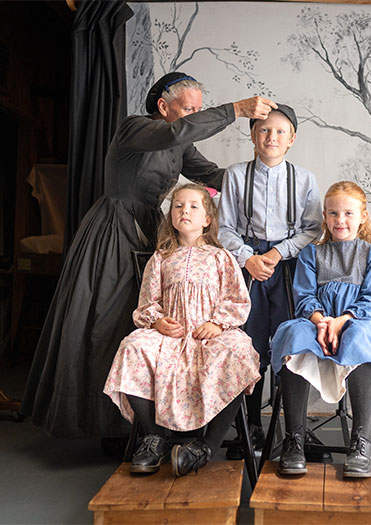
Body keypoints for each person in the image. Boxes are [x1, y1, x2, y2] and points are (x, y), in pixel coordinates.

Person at [21, 71, 276, 439]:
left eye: (198, 110)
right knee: (107, 321)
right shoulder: (136, 128)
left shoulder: (180, 146)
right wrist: (235, 110)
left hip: (150, 229)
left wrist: (264, 171)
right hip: (114, 228)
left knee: (146, 323)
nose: (194, 116)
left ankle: (147, 427)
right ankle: (103, 426)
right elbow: (175, 132)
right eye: (190, 109)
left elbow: (213, 176)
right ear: (163, 106)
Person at [103, 182, 260, 475]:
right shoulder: (161, 258)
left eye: (193, 206)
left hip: (209, 334)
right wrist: (158, 320)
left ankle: (205, 447)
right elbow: (147, 303)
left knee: (239, 352)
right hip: (170, 336)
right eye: (178, 206)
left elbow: (238, 300)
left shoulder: (220, 257)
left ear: (207, 219)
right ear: (171, 216)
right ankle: (154, 437)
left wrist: (217, 323)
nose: (184, 211)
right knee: (133, 346)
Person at [218, 104, 322, 453]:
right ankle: (250, 426)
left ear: (291, 139)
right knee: (250, 340)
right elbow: (224, 228)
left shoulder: (305, 179)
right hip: (247, 268)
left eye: (279, 132)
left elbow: (312, 229)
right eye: (263, 130)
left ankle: (292, 427)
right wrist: (248, 258)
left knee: (289, 340)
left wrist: (277, 254)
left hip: (288, 267)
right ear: (252, 136)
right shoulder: (234, 175)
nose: (271, 137)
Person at [270, 181, 371, 478]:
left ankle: (360, 441)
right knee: (292, 334)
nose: (341, 220)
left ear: (363, 216)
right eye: (334, 214)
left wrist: (341, 321)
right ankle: (295, 439)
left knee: (359, 335)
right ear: (325, 217)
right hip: (317, 321)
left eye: (348, 213)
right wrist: (321, 321)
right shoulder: (312, 254)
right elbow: (304, 296)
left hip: (360, 320)